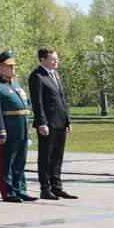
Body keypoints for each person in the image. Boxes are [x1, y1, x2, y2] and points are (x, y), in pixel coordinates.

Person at [30, 48, 75, 199]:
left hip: (60, 122)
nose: (56, 61)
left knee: (57, 156)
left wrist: (67, 120)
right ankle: (45, 188)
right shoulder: (37, 76)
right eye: (53, 59)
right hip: (48, 123)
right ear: (43, 59)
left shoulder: (55, 75)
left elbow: (62, 99)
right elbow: (38, 102)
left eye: (57, 58)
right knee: (46, 156)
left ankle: (57, 186)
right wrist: (42, 123)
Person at [0, 50, 34, 202]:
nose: (13, 69)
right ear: (0, 68)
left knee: (20, 161)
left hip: (21, 126)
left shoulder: (15, 84)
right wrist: (1, 131)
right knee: (6, 162)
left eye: (14, 66)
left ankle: (20, 189)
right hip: (8, 128)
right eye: (10, 66)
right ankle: (8, 191)